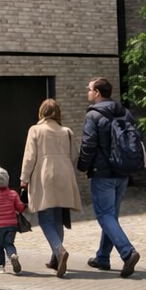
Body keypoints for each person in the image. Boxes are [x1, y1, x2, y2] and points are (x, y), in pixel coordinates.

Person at [77, 77, 142, 277]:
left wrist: (82, 166)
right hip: (122, 171)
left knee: (104, 214)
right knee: (110, 215)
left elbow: (88, 145)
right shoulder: (124, 112)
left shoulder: (93, 115)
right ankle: (102, 258)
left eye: (88, 89)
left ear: (97, 92)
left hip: (102, 173)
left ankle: (127, 251)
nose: (87, 92)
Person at [21, 97, 83, 277]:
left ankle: (59, 250)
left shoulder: (35, 130)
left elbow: (29, 156)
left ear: (41, 112)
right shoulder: (67, 131)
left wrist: (24, 178)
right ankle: (56, 258)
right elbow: (74, 155)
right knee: (57, 217)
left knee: (45, 219)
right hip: (64, 174)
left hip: (44, 174)